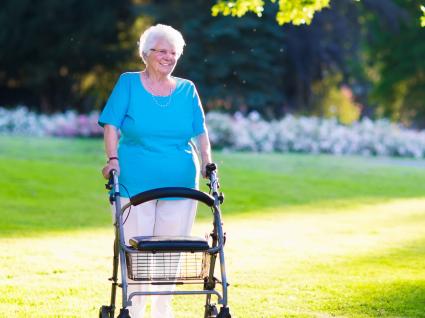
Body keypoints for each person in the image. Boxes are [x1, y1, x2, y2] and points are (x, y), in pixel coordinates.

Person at [98, 24, 212, 318]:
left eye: (173, 52)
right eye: (162, 51)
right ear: (146, 54)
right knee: (137, 249)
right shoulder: (129, 83)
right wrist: (112, 159)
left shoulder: (187, 89)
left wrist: (208, 163)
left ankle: (162, 310)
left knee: (171, 250)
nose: (168, 57)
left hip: (180, 182)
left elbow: (200, 132)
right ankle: (134, 309)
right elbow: (111, 124)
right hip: (134, 181)